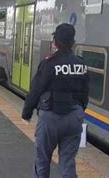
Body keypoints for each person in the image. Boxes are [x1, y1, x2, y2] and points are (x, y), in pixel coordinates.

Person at [22, 23, 89, 178]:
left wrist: (26, 113)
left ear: (55, 42)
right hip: (74, 117)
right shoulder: (81, 64)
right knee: (68, 162)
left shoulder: (49, 64)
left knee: (42, 160)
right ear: (72, 42)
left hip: (50, 118)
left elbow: (35, 90)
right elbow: (85, 94)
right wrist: (78, 111)